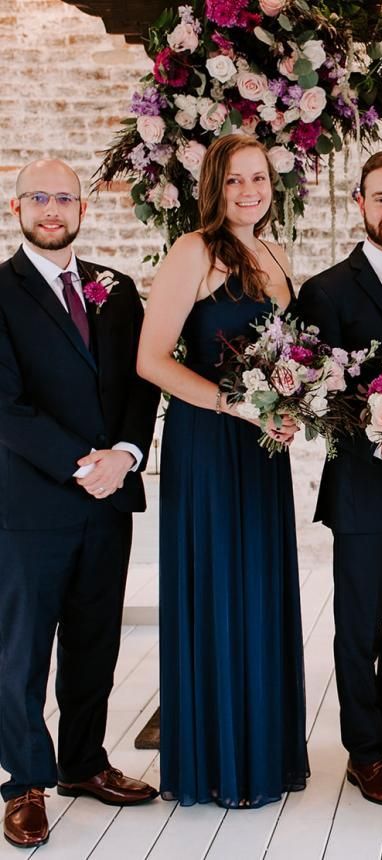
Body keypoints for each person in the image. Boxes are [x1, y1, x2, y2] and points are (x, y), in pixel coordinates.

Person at [137, 134, 308, 808]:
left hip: (261, 448)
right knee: (216, 585)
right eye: (234, 180)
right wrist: (239, 405)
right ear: (214, 186)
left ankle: (259, 749)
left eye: (258, 178)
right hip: (209, 441)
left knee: (259, 585)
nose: (248, 191)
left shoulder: (275, 255)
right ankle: (215, 759)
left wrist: (292, 405)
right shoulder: (193, 252)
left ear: (272, 184)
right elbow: (152, 360)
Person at [0, 159, 160, 848]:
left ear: (83, 208)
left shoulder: (117, 290)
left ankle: (83, 764)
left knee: (95, 640)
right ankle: (25, 782)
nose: (52, 208)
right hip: (31, 503)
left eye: (64, 197)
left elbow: (140, 382)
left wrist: (124, 454)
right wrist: (81, 466)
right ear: (17, 207)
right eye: (39, 197)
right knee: (22, 648)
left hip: (108, 496)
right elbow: (6, 405)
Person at [295, 150, 382, 806]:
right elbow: (315, 396)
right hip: (362, 488)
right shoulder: (326, 290)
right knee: (360, 624)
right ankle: (367, 750)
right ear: (360, 202)